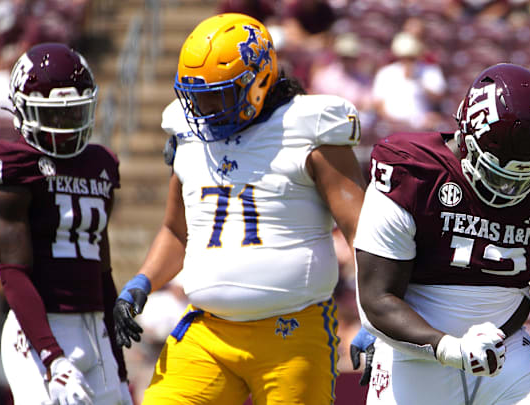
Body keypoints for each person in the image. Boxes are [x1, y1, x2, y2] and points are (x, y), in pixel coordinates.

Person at [113, 13, 366, 404]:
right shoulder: (188, 134)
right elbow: (177, 231)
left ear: (259, 81)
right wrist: (141, 283)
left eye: (218, 94)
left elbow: (361, 230)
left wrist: (371, 317)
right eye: (197, 96)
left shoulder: (307, 128)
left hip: (292, 330)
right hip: (206, 330)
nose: (204, 108)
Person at [352, 63, 530, 404]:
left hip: (507, 354)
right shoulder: (414, 175)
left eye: (527, 177)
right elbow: (376, 299)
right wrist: (450, 348)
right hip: (418, 357)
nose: (513, 188)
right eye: (499, 175)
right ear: (466, 140)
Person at [0, 42, 132, 405]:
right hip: (39, 330)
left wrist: (120, 369)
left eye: (74, 114)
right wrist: (52, 356)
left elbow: (102, 274)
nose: (65, 126)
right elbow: (12, 272)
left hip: (95, 331)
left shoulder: (99, 164)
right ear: (23, 111)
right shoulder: (12, 167)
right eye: (54, 116)